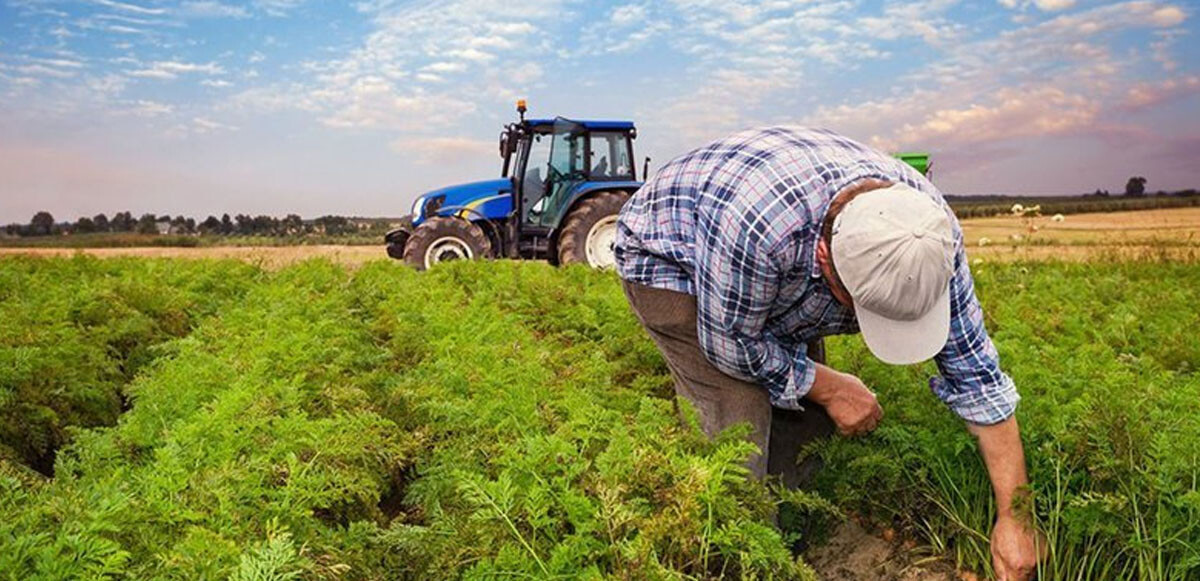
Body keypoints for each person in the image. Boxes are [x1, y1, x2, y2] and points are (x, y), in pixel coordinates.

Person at [614, 127, 1043, 581]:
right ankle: (734, 555)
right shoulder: (761, 231)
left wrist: (1016, 517)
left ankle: (793, 536)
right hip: (672, 259)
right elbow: (731, 344)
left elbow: (978, 379)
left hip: (771, 262)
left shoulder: (928, 236)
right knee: (736, 424)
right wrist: (830, 385)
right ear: (824, 259)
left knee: (806, 419)